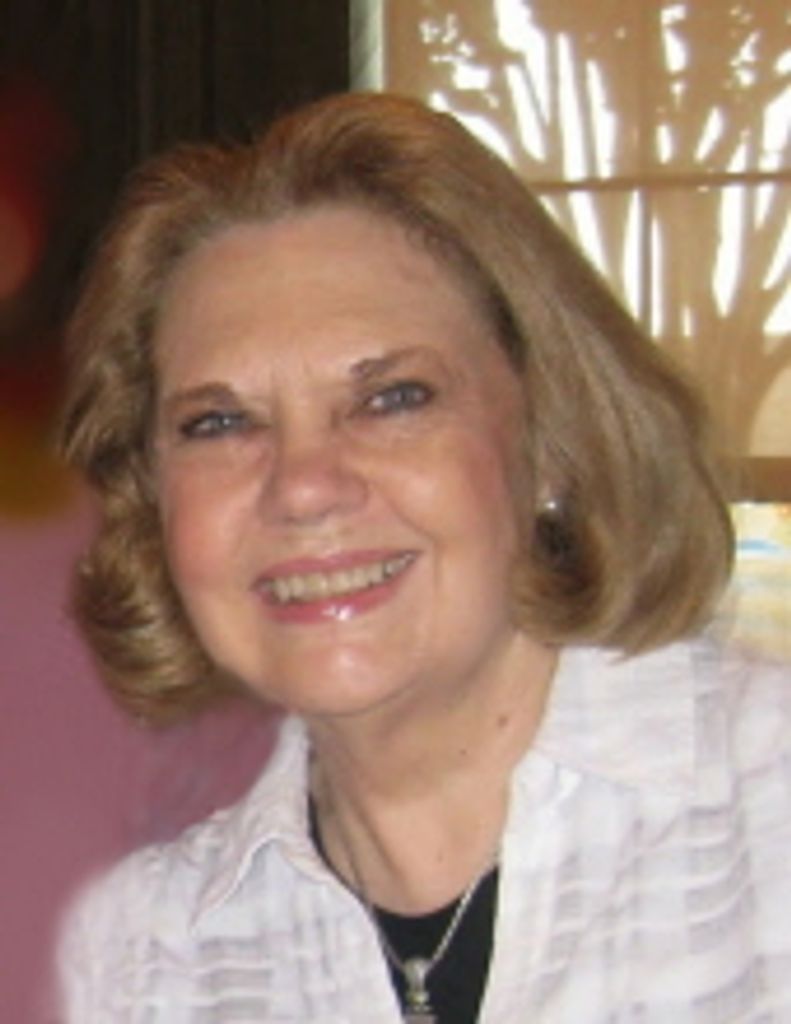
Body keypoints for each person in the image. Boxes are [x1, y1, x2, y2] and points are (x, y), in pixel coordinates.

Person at [56, 92, 791, 1023]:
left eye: (392, 399)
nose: (304, 487)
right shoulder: (137, 955)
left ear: (550, 440)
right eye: (221, 423)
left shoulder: (766, 816)